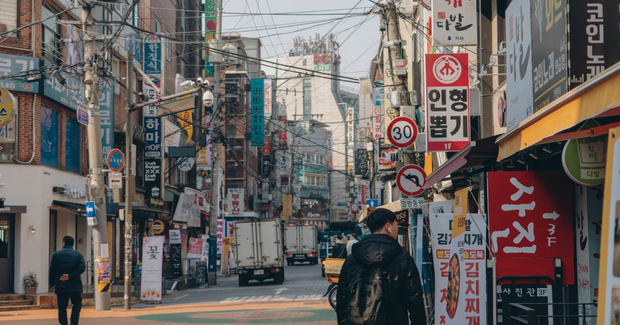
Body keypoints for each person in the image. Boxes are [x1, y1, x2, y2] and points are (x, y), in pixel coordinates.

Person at [337, 208, 425, 325]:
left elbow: (342, 298)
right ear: (388, 226)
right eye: (396, 225)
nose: (396, 230)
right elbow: (414, 298)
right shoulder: (403, 258)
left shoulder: (352, 258)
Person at [49, 236, 85, 325]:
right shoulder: (78, 254)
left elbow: (52, 270)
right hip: (75, 284)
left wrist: (52, 283)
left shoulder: (56, 254)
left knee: (62, 307)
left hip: (61, 284)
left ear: (64, 243)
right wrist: (70, 276)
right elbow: (82, 268)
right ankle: (74, 322)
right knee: (77, 303)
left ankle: (63, 323)